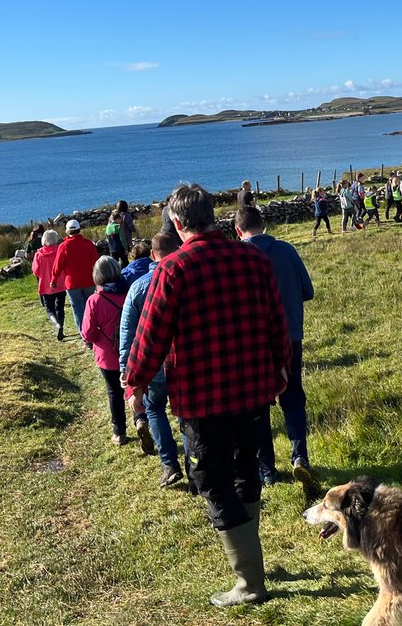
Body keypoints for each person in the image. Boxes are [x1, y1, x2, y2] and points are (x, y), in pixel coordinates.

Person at [124, 183, 290, 608]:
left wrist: (136, 383)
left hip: (202, 399)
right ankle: (254, 566)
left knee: (211, 482)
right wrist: (282, 367)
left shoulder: (172, 270)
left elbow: (150, 337)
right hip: (254, 389)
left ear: (177, 223)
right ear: (213, 215)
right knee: (245, 472)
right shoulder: (253, 258)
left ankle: (250, 582)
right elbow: (276, 320)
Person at [235, 205, 318, 492]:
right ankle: (299, 456)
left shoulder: (239, 259)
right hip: (291, 336)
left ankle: (267, 470)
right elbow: (308, 291)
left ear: (238, 230)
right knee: (294, 398)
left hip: (255, 343)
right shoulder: (287, 251)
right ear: (264, 224)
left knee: (258, 406)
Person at [119, 232, 185, 486]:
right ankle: (193, 462)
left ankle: (169, 463)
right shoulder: (184, 278)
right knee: (183, 415)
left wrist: (127, 371)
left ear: (152, 256)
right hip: (180, 362)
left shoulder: (138, 287)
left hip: (151, 364)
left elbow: (128, 333)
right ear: (177, 248)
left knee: (155, 409)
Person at [81, 255, 130, 446]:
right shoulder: (131, 291)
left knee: (114, 392)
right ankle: (141, 419)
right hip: (133, 351)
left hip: (108, 356)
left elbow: (88, 333)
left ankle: (120, 433)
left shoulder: (95, 300)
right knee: (137, 387)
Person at [51, 219, 98, 333]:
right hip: (88, 281)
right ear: (79, 230)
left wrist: (54, 280)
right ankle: (93, 330)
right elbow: (96, 263)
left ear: (67, 231)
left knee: (78, 309)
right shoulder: (88, 244)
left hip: (72, 284)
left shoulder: (64, 246)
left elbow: (58, 266)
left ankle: (85, 335)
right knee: (90, 308)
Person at [30, 229, 65, 340]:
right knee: (60, 307)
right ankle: (61, 328)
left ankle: (56, 325)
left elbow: (35, 271)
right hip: (61, 284)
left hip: (46, 286)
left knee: (50, 309)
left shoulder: (39, 254)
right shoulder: (60, 251)